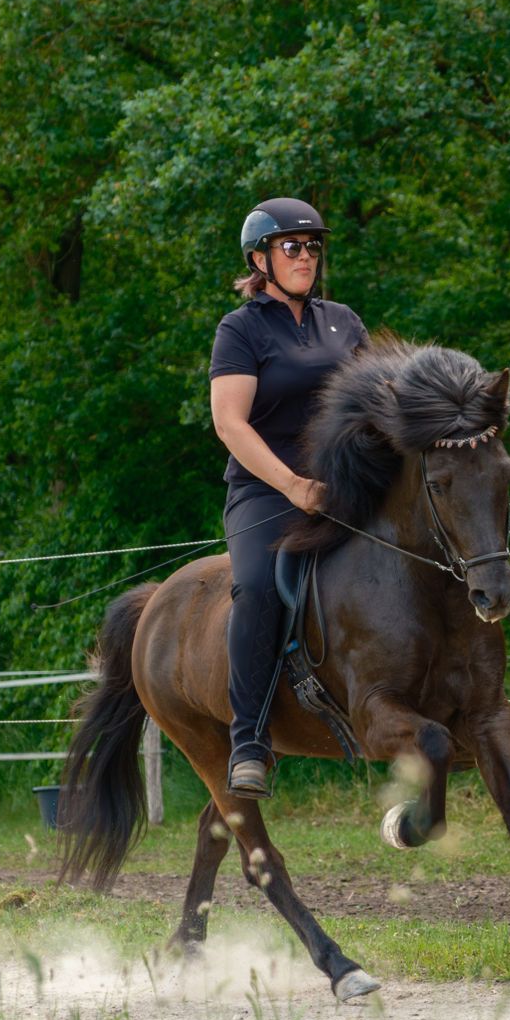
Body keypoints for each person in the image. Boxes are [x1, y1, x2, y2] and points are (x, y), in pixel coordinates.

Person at [209, 197, 368, 797]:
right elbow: (230, 424)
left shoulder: (344, 322)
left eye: (313, 246)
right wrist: (294, 486)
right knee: (255, 586)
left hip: (343, 484)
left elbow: (374, 405)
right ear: (261, 259)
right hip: (266, 490)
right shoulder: (241, 329)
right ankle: (249, 740)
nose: (306, 256)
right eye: (292, 247)